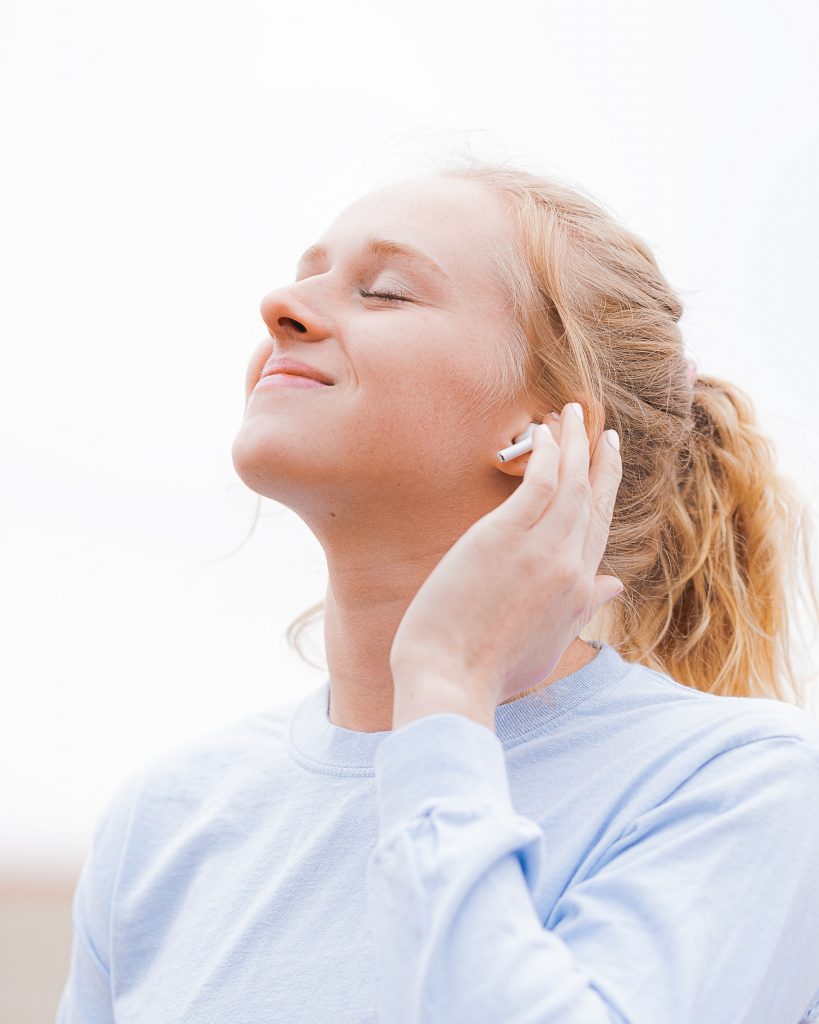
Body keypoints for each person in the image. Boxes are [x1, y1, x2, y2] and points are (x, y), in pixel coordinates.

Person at [56, 164, 819, 1023]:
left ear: (548, 430)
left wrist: (447, 687)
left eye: (383, 292)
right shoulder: (164, 822)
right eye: (307, 274)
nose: (280, 304)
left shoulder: (738, 783)